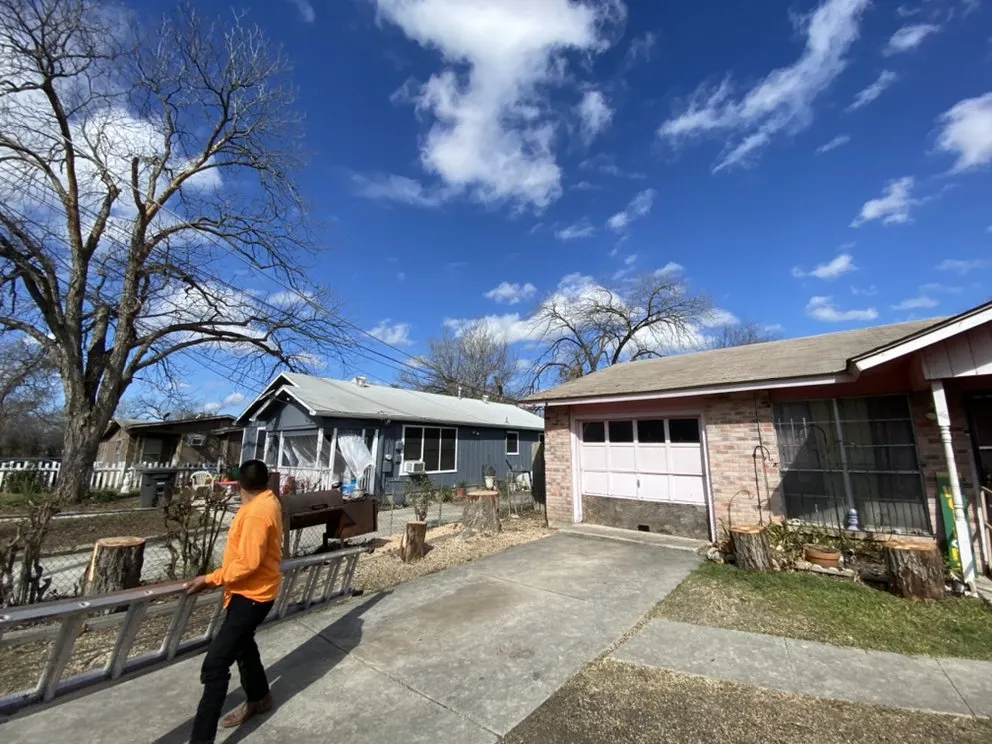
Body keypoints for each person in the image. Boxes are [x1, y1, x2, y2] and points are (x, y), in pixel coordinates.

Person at [185, 460, 283, 743]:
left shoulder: (256, 513)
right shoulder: (268, 501)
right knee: (243, 645)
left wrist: (210, 578)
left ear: (239, 484)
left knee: (215, 665)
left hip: (251, 596)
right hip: (251, 593)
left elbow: (249, 564)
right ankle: (259, 697)